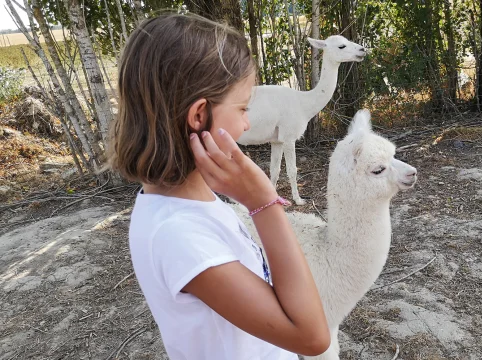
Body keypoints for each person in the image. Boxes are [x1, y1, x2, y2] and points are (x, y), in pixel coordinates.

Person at [108, 13, 330, 359]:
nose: (246, 122)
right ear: (199, 115)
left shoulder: (193, 205)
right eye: (243, 108)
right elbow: (312, 337)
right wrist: (263, 203)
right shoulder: (178, 235)